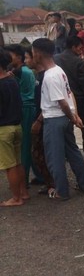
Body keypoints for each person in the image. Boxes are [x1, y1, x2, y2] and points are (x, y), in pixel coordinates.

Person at [31, 38, 84, 201]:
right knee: (72, 151)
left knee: (54, 157)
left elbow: (62, 102)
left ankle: (62, 191)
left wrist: (73, 116)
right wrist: (74, 115)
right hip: (64, 119)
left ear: (38, 54)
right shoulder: (59, 71)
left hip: (54, 120)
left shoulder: (50, 76)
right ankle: (83, 183)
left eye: (33, 52)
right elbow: (70, 95)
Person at [55, 36, 84, 157]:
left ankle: (68, 151)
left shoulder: (56, 59)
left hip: (62, 98)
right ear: (73, 47)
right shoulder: (79, 62)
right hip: (78, 97)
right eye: (79, 47)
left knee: (66, 125)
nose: (81, 50)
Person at [25, 48, 56, 197]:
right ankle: (49, 182)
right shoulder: (38, 76)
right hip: (41, 118)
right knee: (40, 154)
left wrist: (38, 121)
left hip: (45, 120)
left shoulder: (46, 77)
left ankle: (53, 185)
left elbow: (50, 102)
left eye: (27, 58)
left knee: (42, 154)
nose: (26, 61)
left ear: (36, 56)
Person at [0, 49, 29, 207]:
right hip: (17, 126)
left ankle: (16, 198)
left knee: (9, 165)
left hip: (3, 129)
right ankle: (23, 192)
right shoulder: (12, 80)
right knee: (18, 162)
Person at [6, 44, 37, 185]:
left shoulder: (21, 72)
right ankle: (37, 176)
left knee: (24, 146)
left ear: (19, 57)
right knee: (28, 144)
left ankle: (23, 181)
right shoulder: (23, 71)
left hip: (25, 108)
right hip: (27, 108)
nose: (8, 58)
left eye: (10, 55)